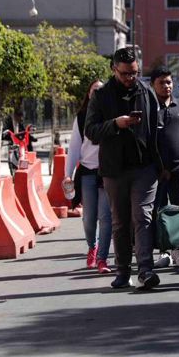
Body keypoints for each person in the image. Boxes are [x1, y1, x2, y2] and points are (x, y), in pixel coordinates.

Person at [85, 47, 163, 290]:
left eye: (134, 73)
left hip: (144, 168)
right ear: (113, 70)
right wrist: (115, 124)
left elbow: (156, 129)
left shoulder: (146, 92)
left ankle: (146, 270)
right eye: (125, 73)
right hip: (114, 170)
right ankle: (122, 271)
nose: (130, 78)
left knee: (143, 217)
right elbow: (91, 131)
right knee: (120, 222)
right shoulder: (101, 95)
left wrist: (161, 165)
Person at [64, 80, 112, 274]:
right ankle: (92, 246)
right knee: (89, 219)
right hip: (88, 173)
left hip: (108, 173)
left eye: (101, 90)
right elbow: (74, 148)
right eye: (94, 90)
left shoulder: (111, 114)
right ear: (89, 94)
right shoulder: (82, 117)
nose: (97, 93)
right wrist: (67, 175)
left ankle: (102, 258)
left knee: (106, 217)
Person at [150, 66, 179, 269]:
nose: (166, 86)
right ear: (153, 85)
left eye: (169, 82)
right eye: (161, 83)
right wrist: (158, 167)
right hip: (156, 170)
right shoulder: (149, 108)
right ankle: (164, 251)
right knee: (159, 210)